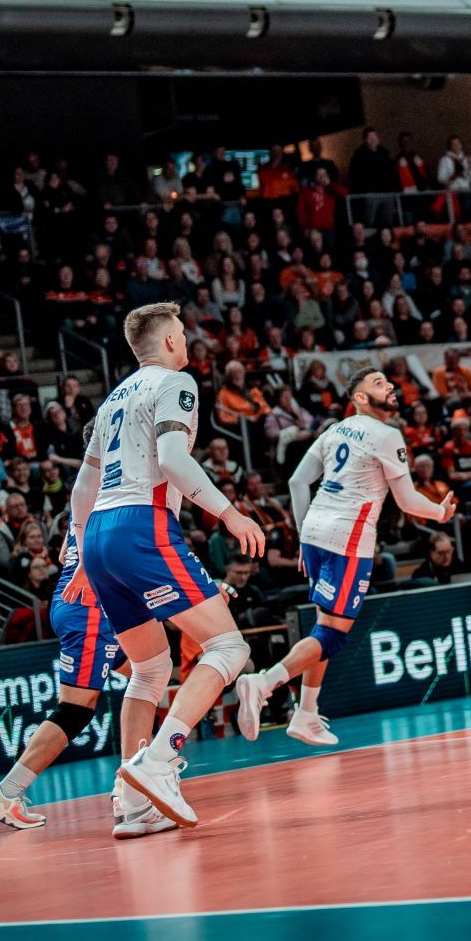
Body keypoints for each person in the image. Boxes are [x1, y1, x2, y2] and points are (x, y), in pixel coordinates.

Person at [73, 302, 268, 831]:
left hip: (99, 537)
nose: (186, 339)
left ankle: (132, 805)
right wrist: (229, 513)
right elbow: (173, 460)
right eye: (181, 332)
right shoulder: (175, 384)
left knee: (150, 669)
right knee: (229, 648)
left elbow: (83, 488)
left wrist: (82, 557)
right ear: (168, 342)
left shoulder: (112, 400)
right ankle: (159, 760)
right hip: (142, 525)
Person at [234, 367, 458, 746]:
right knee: (334, 636)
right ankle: (264, 682)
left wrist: (302, 536)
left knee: (324, 626)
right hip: (348, 539)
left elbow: (297, 481)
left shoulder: (334, 429)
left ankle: (306, 713)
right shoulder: (387, 435)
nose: (389, 385)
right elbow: (406, 501)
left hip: (316, 532)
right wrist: (440, 513)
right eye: (378, 383)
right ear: (359, 398)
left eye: (387, 381)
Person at [0, 526, 153, 836]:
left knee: (147, 672)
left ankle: (140, 775)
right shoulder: (122, 505)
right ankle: (7, 793)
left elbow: (63, 554)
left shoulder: (88, 501)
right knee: (76, 709)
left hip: (75, 599)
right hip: (90, 610)